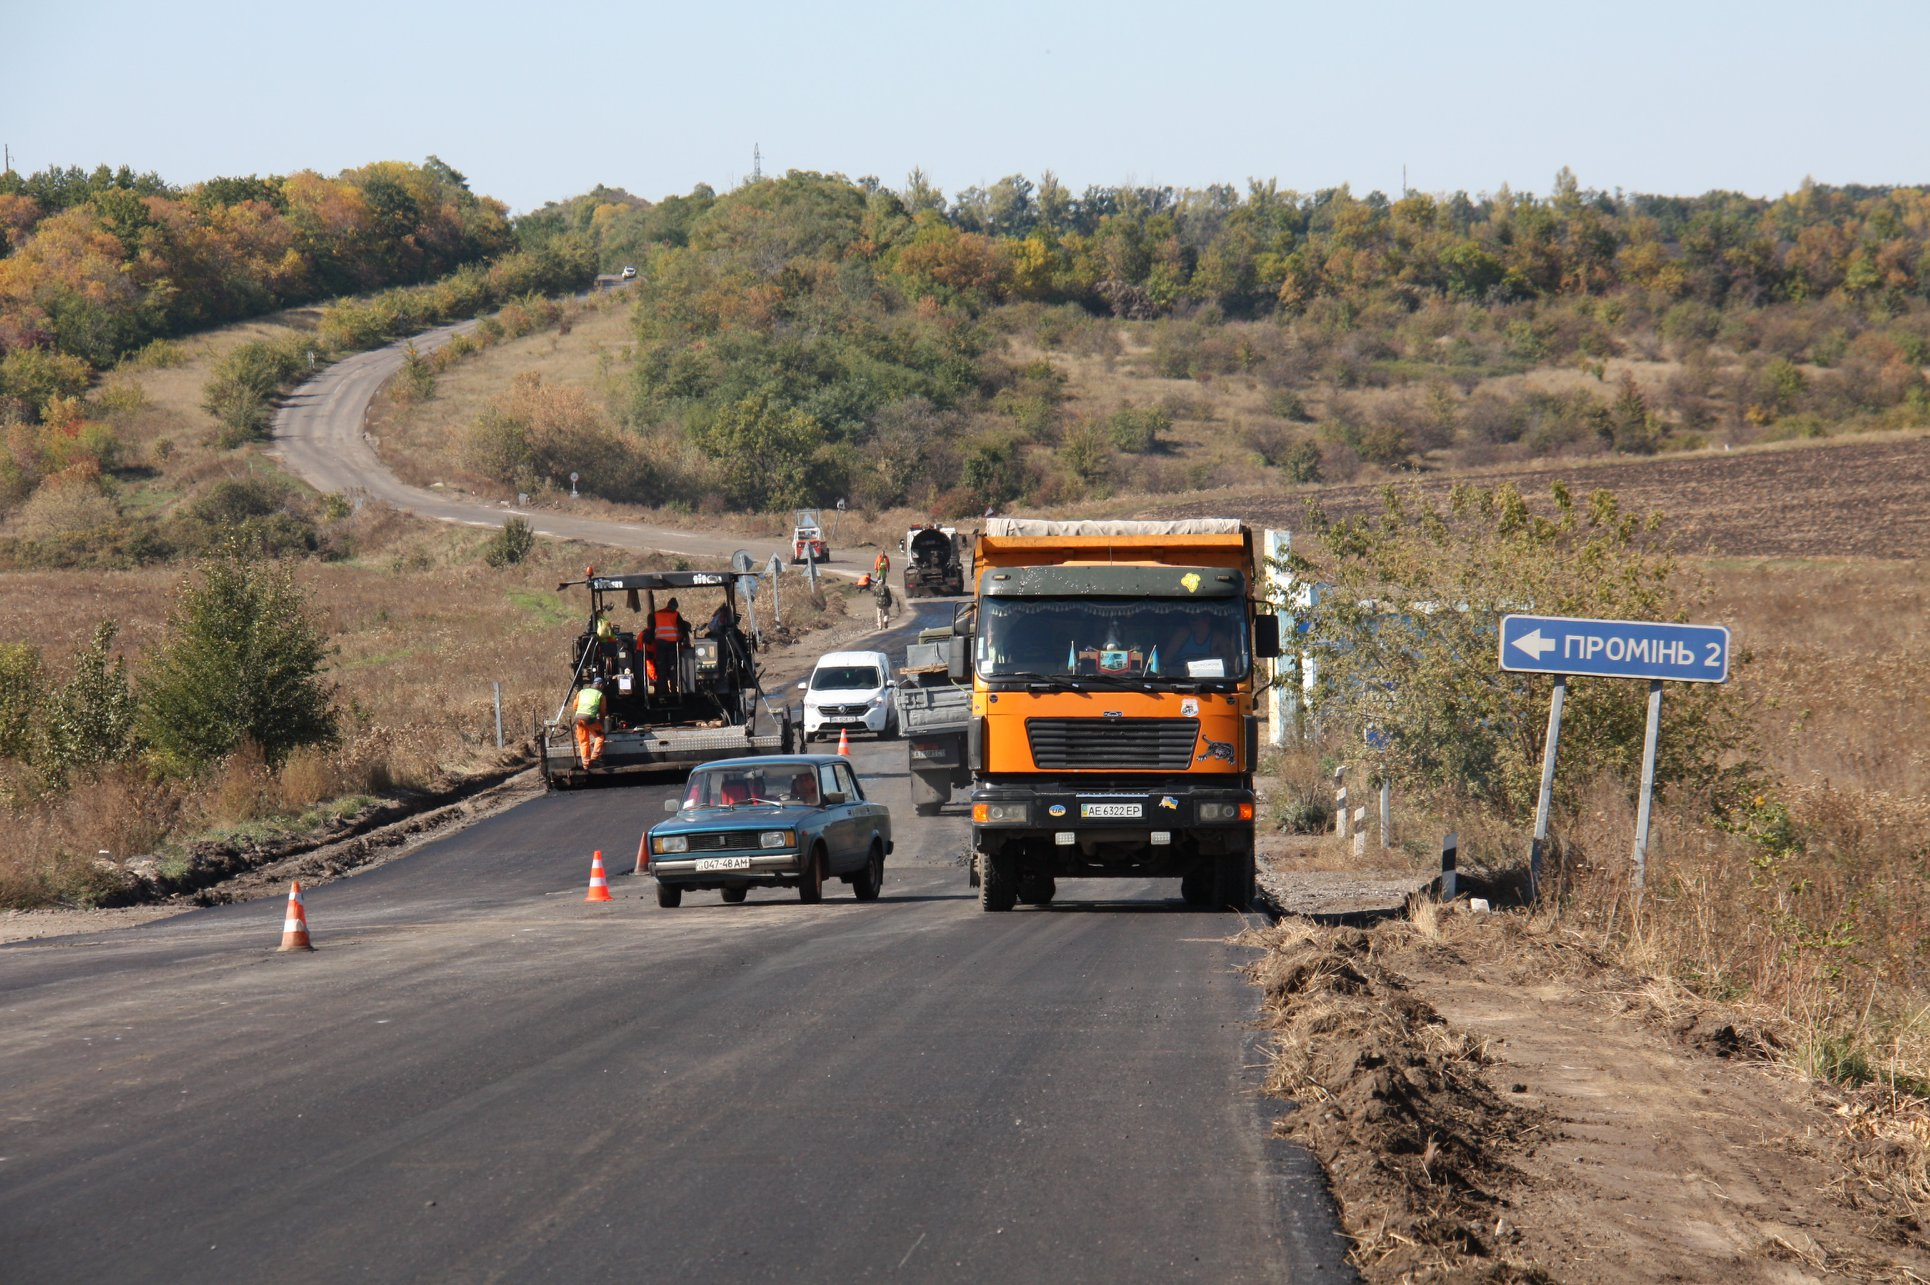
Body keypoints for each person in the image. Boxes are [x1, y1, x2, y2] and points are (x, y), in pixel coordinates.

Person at [652, 596, 689, 694]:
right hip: (672, 645)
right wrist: (683, 640)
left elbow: (652, 629)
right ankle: (674, 690)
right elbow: (682, 629)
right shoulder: (676, 615)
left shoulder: (657, 614)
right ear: (675, 607)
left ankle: (661, 691)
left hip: (660, 644)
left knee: (661, 668)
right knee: (673, 668)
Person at [572, 677, 607, 768]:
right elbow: (603, 711)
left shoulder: (582, 692)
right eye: (603, 686)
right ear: (600, 685)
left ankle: (586, 764)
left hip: (578, 718)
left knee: (583, 741)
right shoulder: (600, 695)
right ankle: (595, 759)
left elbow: (575, 706)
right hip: (589, 719)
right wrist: (601, 723)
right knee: (600, 736)